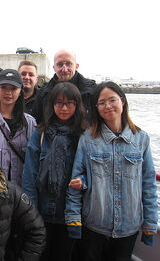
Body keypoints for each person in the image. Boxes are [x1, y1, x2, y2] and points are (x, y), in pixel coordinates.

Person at [65, 82, 158, 261]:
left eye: (112, 100)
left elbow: (148, 185)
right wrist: (73, 219)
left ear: (123, 102)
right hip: (94, 226)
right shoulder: (88, 139)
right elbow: (75, 181)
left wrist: (150, 224)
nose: (107, 106)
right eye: (101, 103)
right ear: (96, 108)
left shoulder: (141, 139)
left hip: (129, 228)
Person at [22, 82, 88, 261]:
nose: (64, 108)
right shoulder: (41, 134)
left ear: (77, 105)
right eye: (59, 103)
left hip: (71, 213)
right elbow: (30, 174)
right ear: (51, 106)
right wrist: (32, 212)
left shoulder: (84, 136)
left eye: (69, 103)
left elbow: (91, 171)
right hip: (43, 210)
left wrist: (83, 180)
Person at [32, 49, 96, 124]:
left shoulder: (92, 91)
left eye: (68, 64)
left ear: (76, 66)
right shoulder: (43, 93)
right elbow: (37, 122)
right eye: (60, 64)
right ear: (54, 68)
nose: (64, 69)